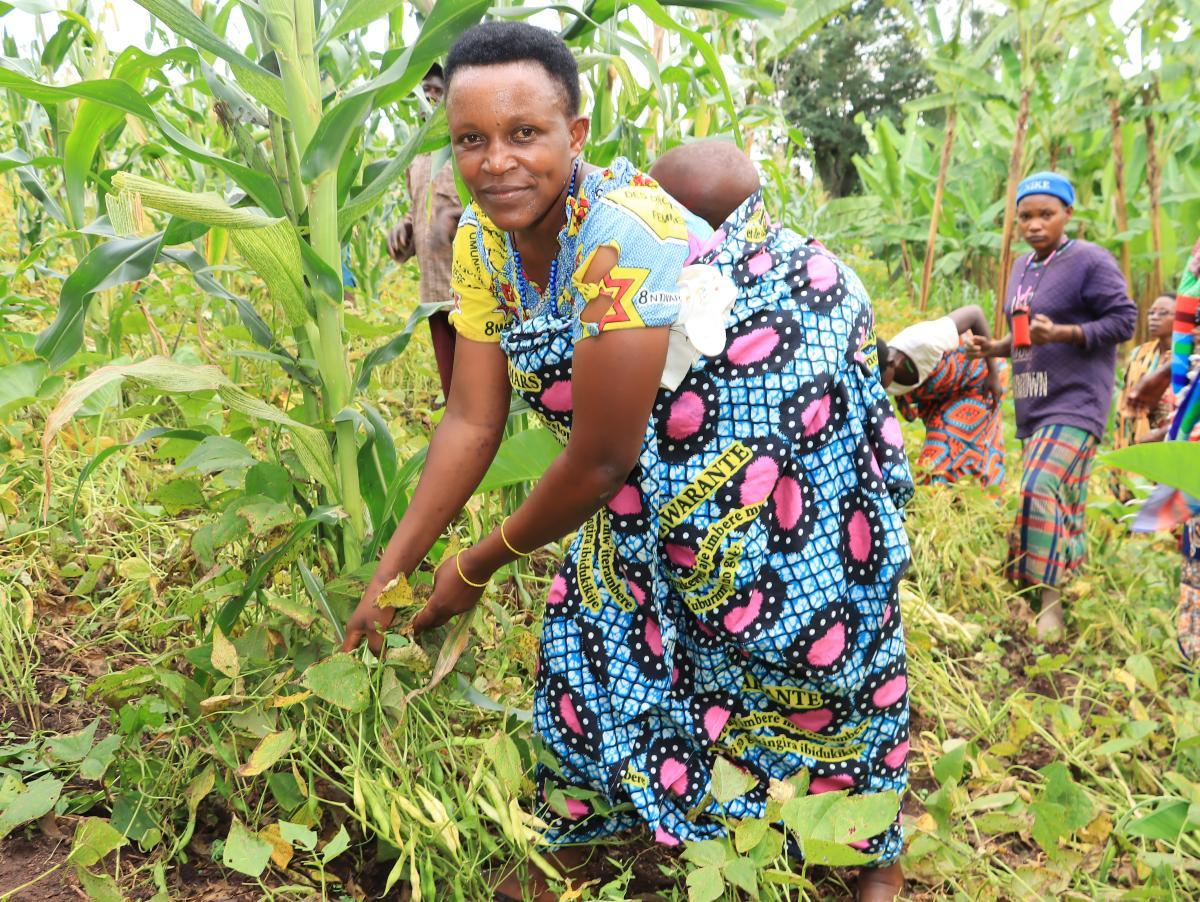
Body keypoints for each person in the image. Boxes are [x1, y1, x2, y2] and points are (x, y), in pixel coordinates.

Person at [344, 24, 912, 902]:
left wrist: (472, 566)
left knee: (803, 619)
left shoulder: (621, 233)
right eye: (471, 139)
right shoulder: (483, 243)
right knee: (601, 612)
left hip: (774, 387)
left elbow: (602, 462)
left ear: (575, 136)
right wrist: (392, 575)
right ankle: (584, 831)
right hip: (655, 432)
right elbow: (471, 418)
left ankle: (874, 849)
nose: (496, 162)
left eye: (524, 133)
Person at [969, 171, 1136, 640]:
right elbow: (1025, 337)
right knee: (1063, 497)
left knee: (1040, 487)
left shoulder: (1089, 261)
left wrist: (1064, 333)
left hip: (1078, 400)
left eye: (1046, 214)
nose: (1035, 224)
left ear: (1068, 214)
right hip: (1034, 402)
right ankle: (1053, 582)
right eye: (1025, 216)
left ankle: (1050, 604)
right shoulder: (1022, 267)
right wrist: (993, 348)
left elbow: (1125, 320)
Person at [387, 63, 463, 402]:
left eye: (436, 90)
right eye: (424, 91)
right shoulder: (416, 159)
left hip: (469, 297)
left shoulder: (464, 149)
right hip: (433, 295)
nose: (429, 97)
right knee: (453, 390)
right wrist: (404, 228)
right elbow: (416, 209)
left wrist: (457, 217)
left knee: (479, 393)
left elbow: (493, 208)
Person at [878, 305, 1006, 489]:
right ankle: (961, 498)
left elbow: (975, 313)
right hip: (943, 397)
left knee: (939, 457)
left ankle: (976, 496)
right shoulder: (879, 375)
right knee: (950, 450)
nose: (877, 387)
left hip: (979, 378)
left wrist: (992, 372)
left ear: (891, 363)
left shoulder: (924, 342)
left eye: (880, 381)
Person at [1108, 293, 1177, 502]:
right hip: (1140, 436)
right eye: (1151, 312)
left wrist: (1163, 433)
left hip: (1175, 438)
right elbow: (1126, 403)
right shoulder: (1139, 355)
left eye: (1163, 313)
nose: (1154, 317)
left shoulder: (1191, 356)